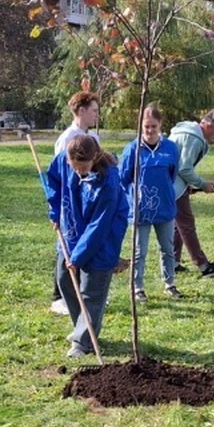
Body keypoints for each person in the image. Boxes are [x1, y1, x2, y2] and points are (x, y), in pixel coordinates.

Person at [45, 134, 129, 359]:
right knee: (65, 279)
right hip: (72, 227)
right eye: (74, 168)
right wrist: (54, 212)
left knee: (91, 290)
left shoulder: (108, 183)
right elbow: (52, 181)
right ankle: (83, 328)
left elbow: (98, 226)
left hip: (103, 236)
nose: (78, 173)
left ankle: (82, 342)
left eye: (82, 169)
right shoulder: (64, 161)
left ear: (95, 158)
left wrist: (79, 256)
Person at [119, 103, 182, 302]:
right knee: (140, 250)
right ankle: (137, 287)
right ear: (140, 126)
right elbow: (123, 177)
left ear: (160, 125)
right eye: (146, 126)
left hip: (164, 207)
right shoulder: (132, 149)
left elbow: (172, 174)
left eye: (153, 126)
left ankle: (170, 283)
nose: (150, 130)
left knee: (167, 248)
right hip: (140, 210)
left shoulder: (170, 148)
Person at [50, 92, 102, 315]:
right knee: (67, 245)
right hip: (70, 201)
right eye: (94, 110)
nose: (96, 115)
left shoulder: (92, 138)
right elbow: (60, 174)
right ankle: (59, 296)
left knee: (83, 244)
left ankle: (82, 293)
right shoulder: (68, 138)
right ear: (81, 110)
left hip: (88, 200)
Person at [170, 110, 214, 278]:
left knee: (178, 225)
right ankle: (203, 266)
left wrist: (188, 184)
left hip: (172, 183)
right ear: (207, 125)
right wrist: (202, 184)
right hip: (174, 186)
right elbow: (184, 168)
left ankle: (172, 262)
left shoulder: (185, 130)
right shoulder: (194, 139)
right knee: (186, 224)